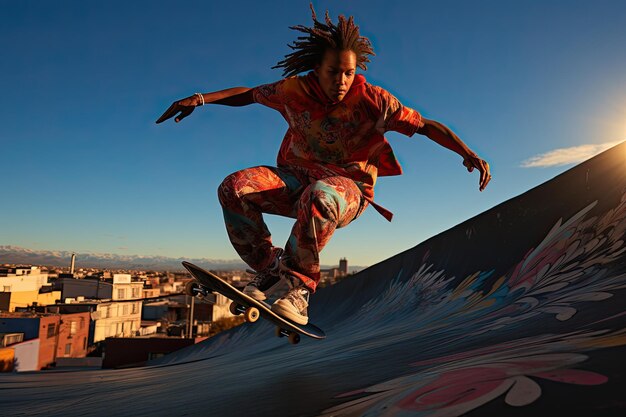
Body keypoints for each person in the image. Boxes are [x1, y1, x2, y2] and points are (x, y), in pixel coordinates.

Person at [156, 5, 491, 325]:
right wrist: (200, 99)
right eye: (334, 73)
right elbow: (248, 94)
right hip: (295, 178)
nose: (342, 81)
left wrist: (466, 151)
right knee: (234, 187)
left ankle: (299, 289)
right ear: (317, 68)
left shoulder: (376, 101)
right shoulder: (293, 90)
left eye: (349, 73)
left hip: (347, 191)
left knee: (320, 195)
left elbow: (426, 125)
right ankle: (271, 268)